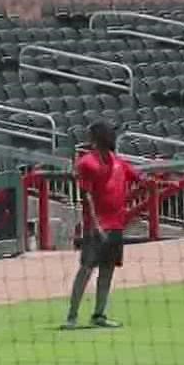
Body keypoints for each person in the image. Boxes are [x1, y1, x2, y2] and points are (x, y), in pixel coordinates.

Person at [64, 120, 142, 331]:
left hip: (116, 226)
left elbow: (139, 179)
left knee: (107, 271)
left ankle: (99, 314)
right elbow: (86, 196)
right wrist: (95, 224)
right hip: (96, 227)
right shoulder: (87, 163)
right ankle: (72, 316)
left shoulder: (119, 163)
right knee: (86, 269)